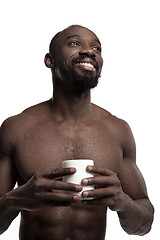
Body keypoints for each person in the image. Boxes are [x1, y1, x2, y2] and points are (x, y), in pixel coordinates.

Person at [0, 25, 154, 240]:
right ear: (50, 60)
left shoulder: (118, 131)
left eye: (97, 48)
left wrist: (123, 202)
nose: (90, 51)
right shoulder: (16, 128)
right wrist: (16, 199)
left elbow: (144, 225)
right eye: (75, 43)